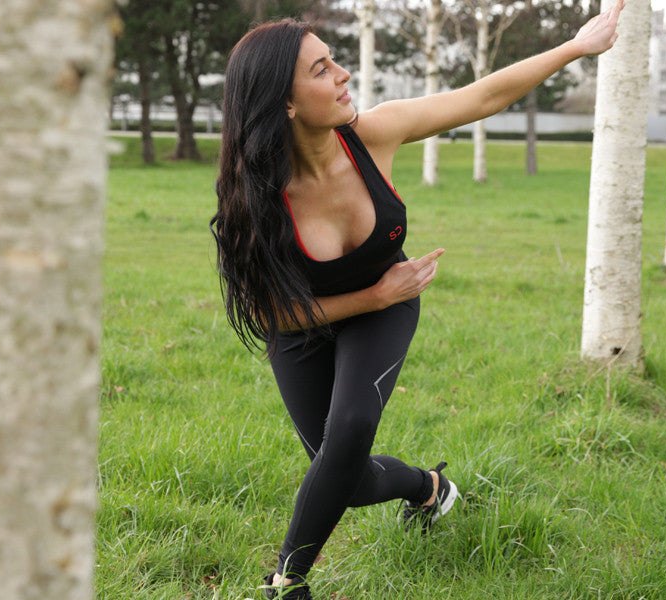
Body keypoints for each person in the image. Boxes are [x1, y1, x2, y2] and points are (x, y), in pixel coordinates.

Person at [211, 3, 624, 598]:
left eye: (334, 61)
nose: (343, 74)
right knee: (344, 481)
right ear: (286, 103)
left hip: (388, 305)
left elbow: (480, 98)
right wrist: (373, 292)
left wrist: (574, 48)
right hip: (305, 323)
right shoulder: (256, 197)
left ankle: (285, 582)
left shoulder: (373, 134)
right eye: (322, 70)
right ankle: (428, 488)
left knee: (349, 427)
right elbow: (271, 316)